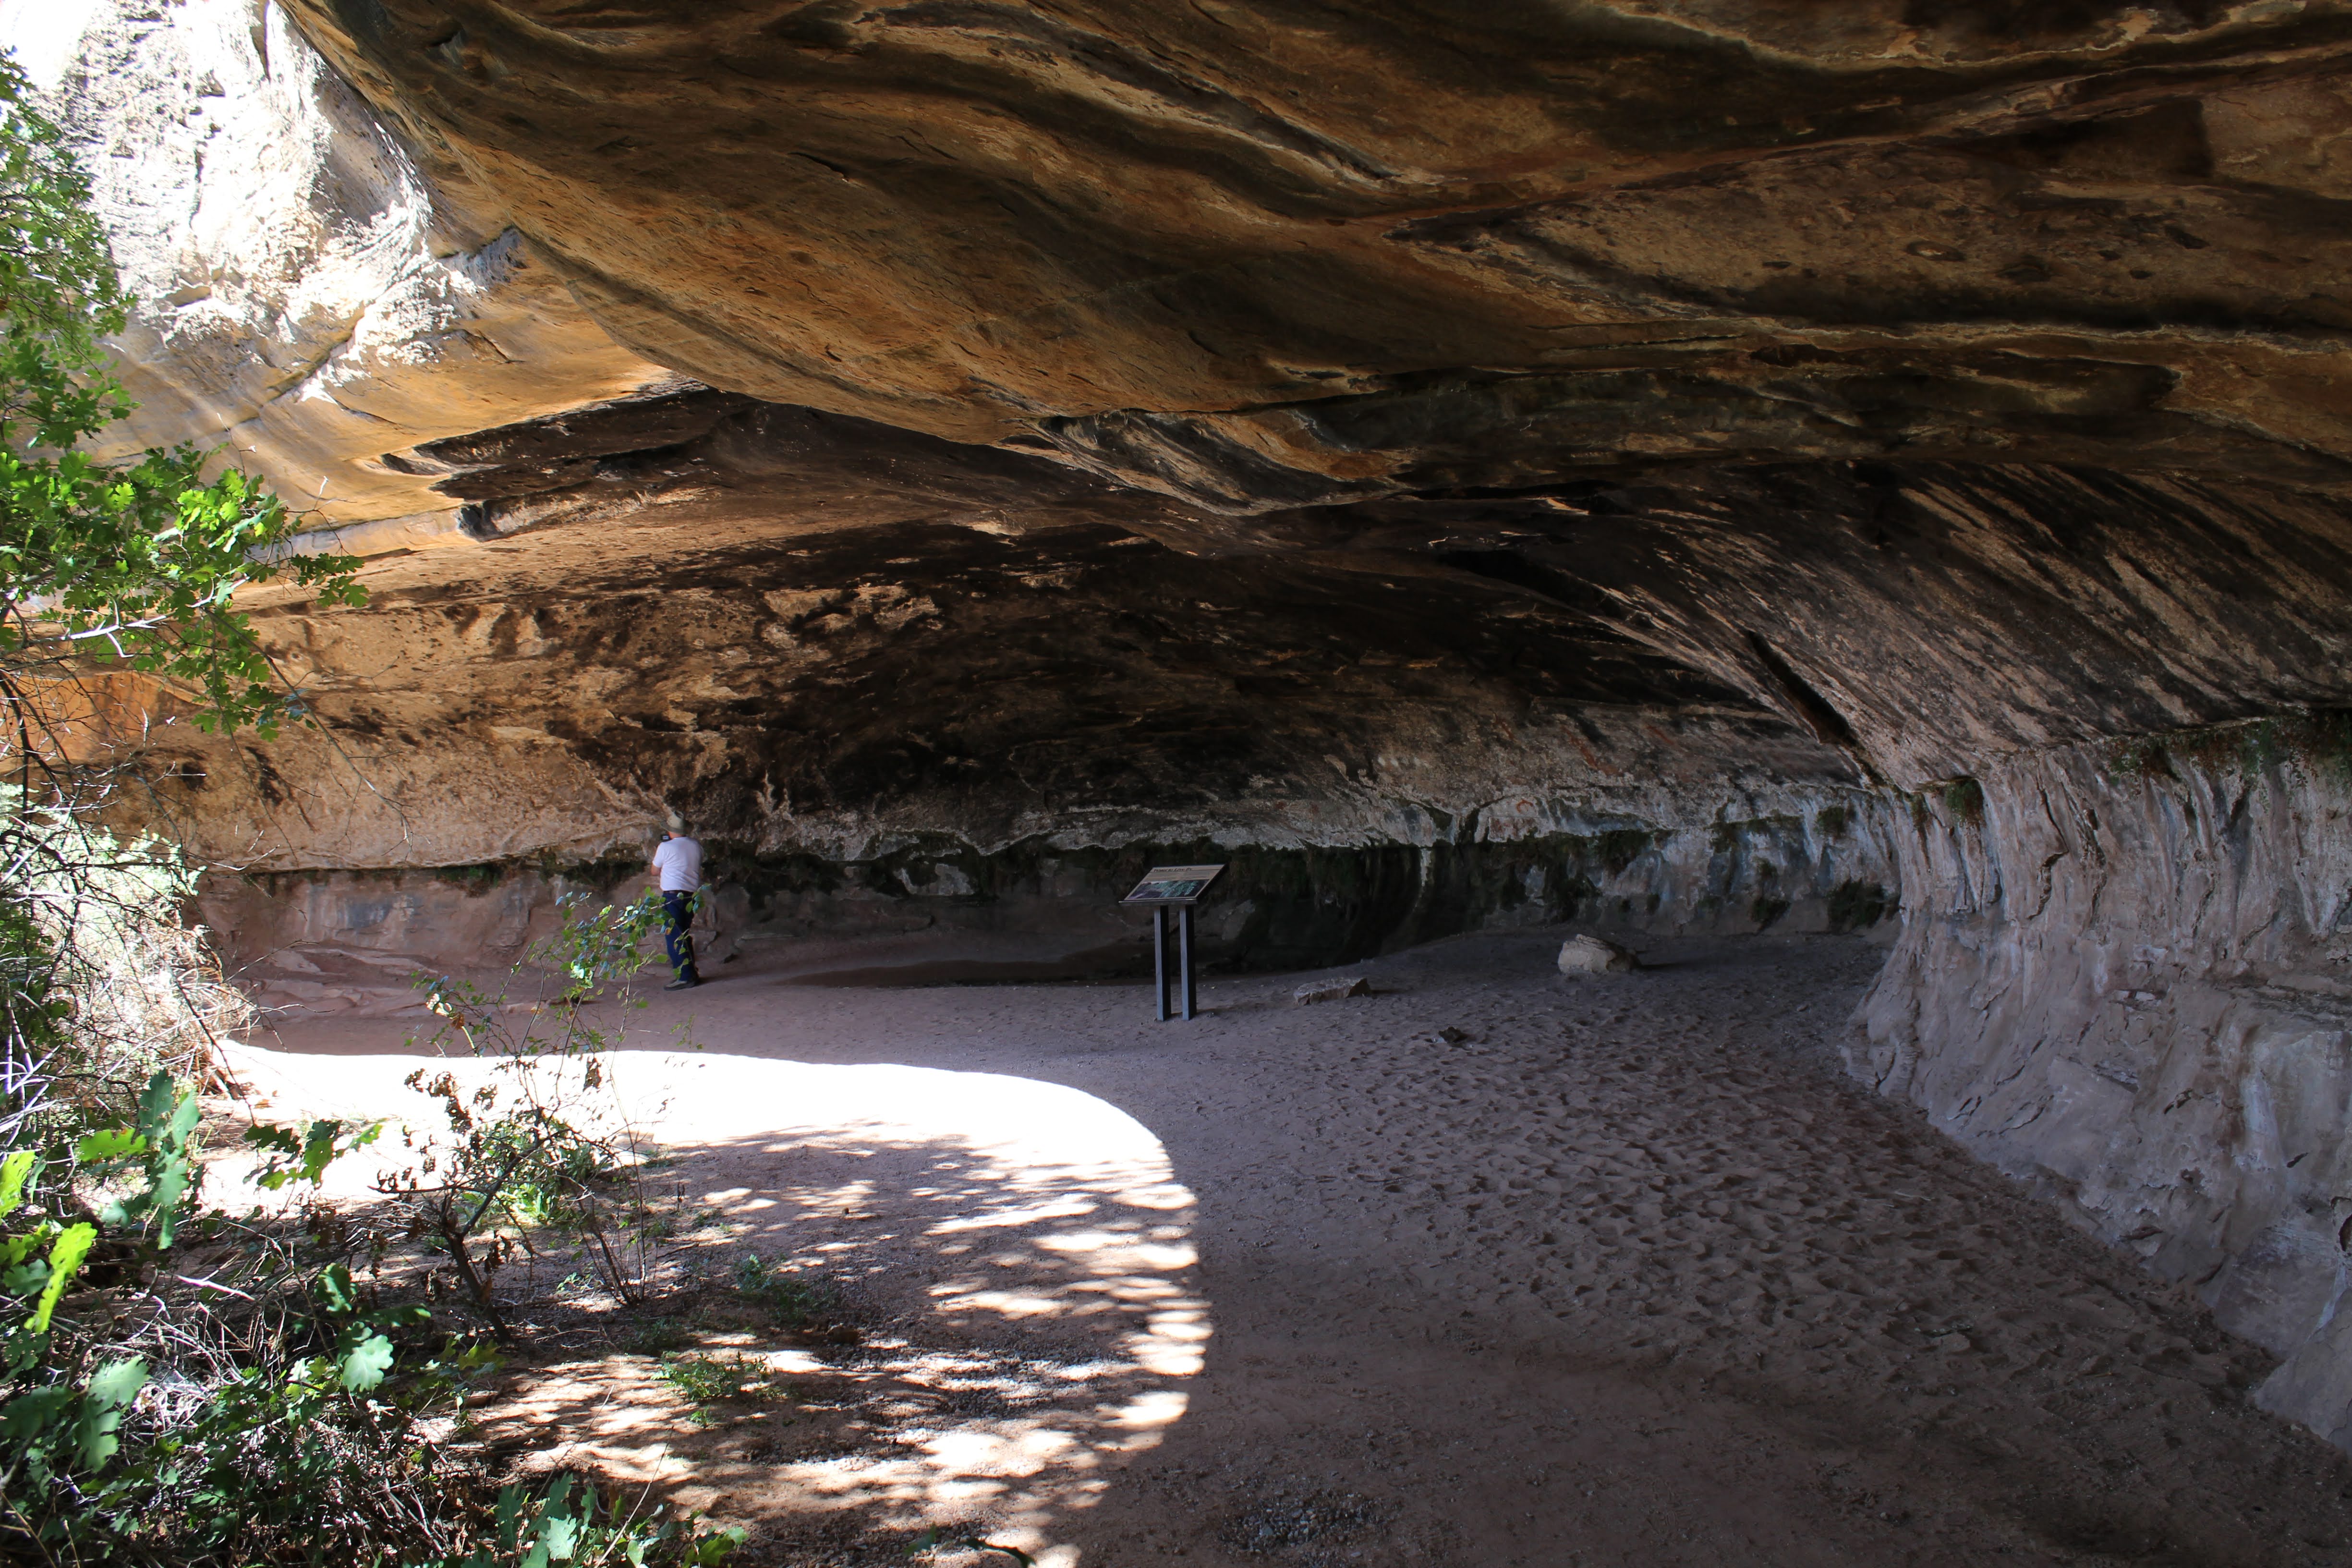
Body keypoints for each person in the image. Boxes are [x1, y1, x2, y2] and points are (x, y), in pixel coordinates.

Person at [650, 813, 703, 990]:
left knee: (674, 936)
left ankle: (685, 977)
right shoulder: (696, 845)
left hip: (672, 896)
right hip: (690, 896)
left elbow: (654, 871)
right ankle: (691, 972)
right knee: (684, 934)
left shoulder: (665, 847)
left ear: (670, 830)